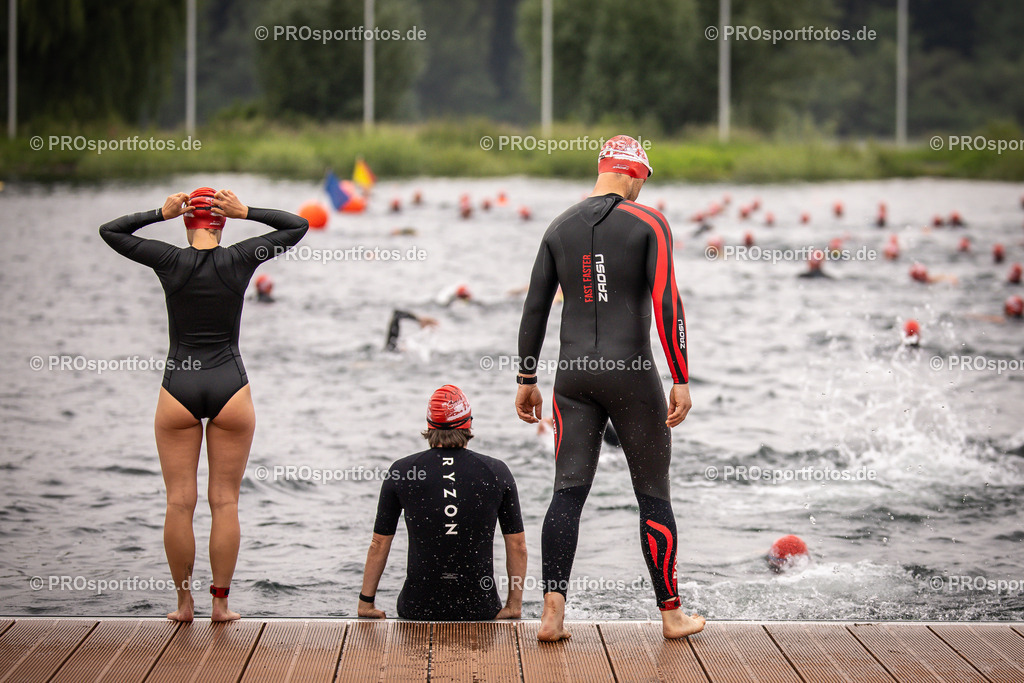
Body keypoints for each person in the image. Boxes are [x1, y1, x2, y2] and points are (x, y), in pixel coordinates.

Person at [515, 135, 705, 641]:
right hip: (631, 375)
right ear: (636, 174)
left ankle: (552, 615)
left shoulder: (558, 228)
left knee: (567, 494)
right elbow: (668, 303)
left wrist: (526, 378)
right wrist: (681, 378)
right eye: (645, 180)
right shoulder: (650, 223)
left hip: (571, 380)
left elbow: (535, 307)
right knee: (653, 497)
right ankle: (671, 615)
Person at [99, 187, 308, 622]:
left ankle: (183, 604)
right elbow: (297, 226)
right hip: (231, 385)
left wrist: (159, 211)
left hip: (179, 385)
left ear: (185, 223)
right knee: (225, 501)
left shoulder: (169, 260)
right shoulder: (241, 258)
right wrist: (248, 210)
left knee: (179, 502)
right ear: (223, 222)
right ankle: (221, 604)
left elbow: (111, 231)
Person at [359, 385, 527, 620]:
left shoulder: (402, 471)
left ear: (429, 425)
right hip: (478, 608)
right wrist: (513, 605)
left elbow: (379, 543)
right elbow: (517, 545)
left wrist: (366, 603)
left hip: (418, 608)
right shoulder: (495, 471)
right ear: (468, 423)